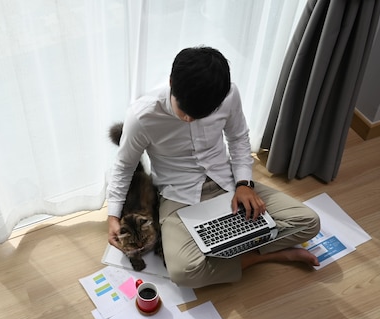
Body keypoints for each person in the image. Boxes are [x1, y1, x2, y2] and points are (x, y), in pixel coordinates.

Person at [106, 46, 321, 288]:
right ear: (170, 83)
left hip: (227, 182)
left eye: (200, 115)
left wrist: (244, 184)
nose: (190, 119)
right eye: (184, 111)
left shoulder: (228, 94)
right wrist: (113, 216)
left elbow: (238, 138)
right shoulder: (143, 115)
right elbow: (124, 165)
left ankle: (230, 254)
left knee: (309, 221)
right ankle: (269, 255)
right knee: (183, 273)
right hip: (178, 196)